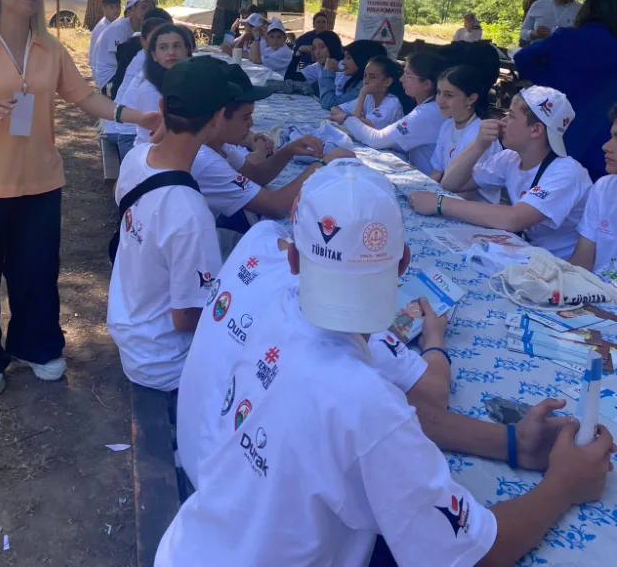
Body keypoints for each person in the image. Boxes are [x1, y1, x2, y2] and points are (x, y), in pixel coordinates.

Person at [156, 160, 614, 567]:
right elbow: (475, 555)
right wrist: (565, 484)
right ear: (403, 263)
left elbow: (385, 424)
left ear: (292, 258)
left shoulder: (278, 311)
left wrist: (513, 443)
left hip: (190, 545)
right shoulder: (366, 405)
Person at [0, 0, 161, 397]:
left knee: (36, 270)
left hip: (40, 182)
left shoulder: (49, 49)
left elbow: (85, 98)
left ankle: (37, 346)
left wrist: (137, 116)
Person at [177, 208, 452, 490]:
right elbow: (434, 395)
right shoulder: (345, 332)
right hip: (230, 487)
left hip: (199, 461)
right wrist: (435, 338)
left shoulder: (260, 238)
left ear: (294, 256)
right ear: (402, 262)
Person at [106, 57, 243, 392]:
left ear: (162, 107)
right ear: (217, 118)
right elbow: (187, 318)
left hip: (132, 333)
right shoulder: (190, 213)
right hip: (168, 363)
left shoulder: (136, 158)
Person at [411, 85, 592, 259]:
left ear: (535, 130)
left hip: (558, 266)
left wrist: (440, 203)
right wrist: (479, 144)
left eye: (511, 116)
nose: (502, 121)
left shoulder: (567, 172)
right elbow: (451, 183)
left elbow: (514, 218)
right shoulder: (510, 158)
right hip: (525, 254)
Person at [192, 63, 350, 222]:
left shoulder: (218, 144)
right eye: (245, 117)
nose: (251, 124)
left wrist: (289, 150)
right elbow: (275, 206)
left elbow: (253, 175)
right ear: (219, 117)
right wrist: (322, 164)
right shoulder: (206, 161)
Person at [515, 0, 617, 180]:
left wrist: (545, 87)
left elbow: (522, 57)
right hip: (600, 130)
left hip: (558, 120)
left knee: (551, 181)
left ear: (585, 11)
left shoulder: (564, 37)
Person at [338, 52, 444, 175]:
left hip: (425, 177)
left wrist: (347, 119)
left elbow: (376, 139)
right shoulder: (429, 108)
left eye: (408, 74)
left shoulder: (427, 112)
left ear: (426, 84)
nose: (401, 79)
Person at [104, 12, 174, 160]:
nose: (170, 52)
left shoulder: (151, 64)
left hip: (125, 128)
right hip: (127, 135)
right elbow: (155, 132)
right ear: (144, 41)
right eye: (161, 44)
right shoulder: (149, 76)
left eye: (175, 45)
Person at [428, 65, 502, 199]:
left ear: (471, 98)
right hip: (447, 197)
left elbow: (467, 193)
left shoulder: (481, 134)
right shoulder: (447, 125)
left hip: (474, 206)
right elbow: (436, 172)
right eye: (438, 92)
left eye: (448, 95)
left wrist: (432, 201)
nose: (440, 100)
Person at [117, 23, 194, 152]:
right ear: (154, 55)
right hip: (151, 152)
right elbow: (162, 140)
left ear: (187, 50)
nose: (171, 53)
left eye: (177, 46)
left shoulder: (186, 80)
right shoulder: (150, 90)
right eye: (163, 48)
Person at [569, 104, 617, 281]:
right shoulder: (604, 188)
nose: (606, 146)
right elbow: (581, 263)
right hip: (592, 293)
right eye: (612, 136)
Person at [92, 0, 156, 92]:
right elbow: (123, 61)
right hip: (109, 78)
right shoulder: (119, 28)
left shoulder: (144, 28)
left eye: (151, 9)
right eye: (143, 7)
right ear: (132, 10)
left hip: (122, 73)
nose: (147, 11)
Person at [329, 55, 406, 129]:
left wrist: (362, 93)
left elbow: (356, 126)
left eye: (373, 77)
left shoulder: (392, 103)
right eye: (365, 75)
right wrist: (349, 117)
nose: (366, 81)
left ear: (387, 82)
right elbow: (334, 109)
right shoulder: (370, 96)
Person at [318, 39, 386, 110]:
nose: (343, 62)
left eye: (348, 58)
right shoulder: (356, 81)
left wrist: (328, 72)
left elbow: (328, 103)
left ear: (362, 59)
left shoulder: (365, 86)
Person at [87, 0, 121, 76]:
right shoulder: (104, 27)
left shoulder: (113, 24)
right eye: (112, 7)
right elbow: (115, 50)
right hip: (102, 69)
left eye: (117, 7)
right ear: (104, 8)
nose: (116, 10)